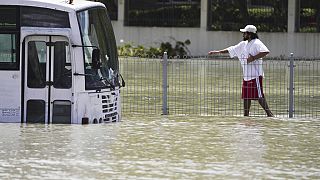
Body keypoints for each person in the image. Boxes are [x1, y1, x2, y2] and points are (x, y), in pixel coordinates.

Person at [208, 25, 274, 117]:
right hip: (246, 76)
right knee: (246, 97)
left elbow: (266, 51)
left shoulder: (257, 43)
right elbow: (231, 49)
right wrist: (218, 52)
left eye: (244, 33)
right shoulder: (243, 44)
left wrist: (253, 58)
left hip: (255, 75)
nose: (243, 34)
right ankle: (246, 116)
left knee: (259, 96)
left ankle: (270, 115)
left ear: (250, 34)